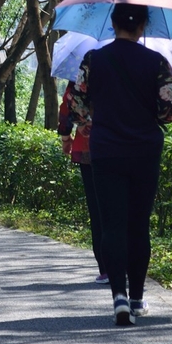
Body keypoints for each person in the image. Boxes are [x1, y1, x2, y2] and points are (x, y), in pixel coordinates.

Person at [69, 3, 172, 326]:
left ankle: (118, 296)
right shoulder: (157, 62)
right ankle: (137, 298)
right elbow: (169, 113)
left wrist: (93, 118)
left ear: (113, 23)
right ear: (143, 25)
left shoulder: (93, 59)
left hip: (105, 152)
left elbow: (77, 106)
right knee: (138, 224)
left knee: (112, 225)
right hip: (145, 152)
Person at [57, 82, 107, 284]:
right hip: (129, 147)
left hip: (90, 148)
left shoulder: (86, 66)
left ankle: (106, 268)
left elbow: (68, 104)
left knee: (98, 209)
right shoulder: (140, 62)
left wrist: (65, 137)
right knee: (127, 209)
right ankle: (130, 265)